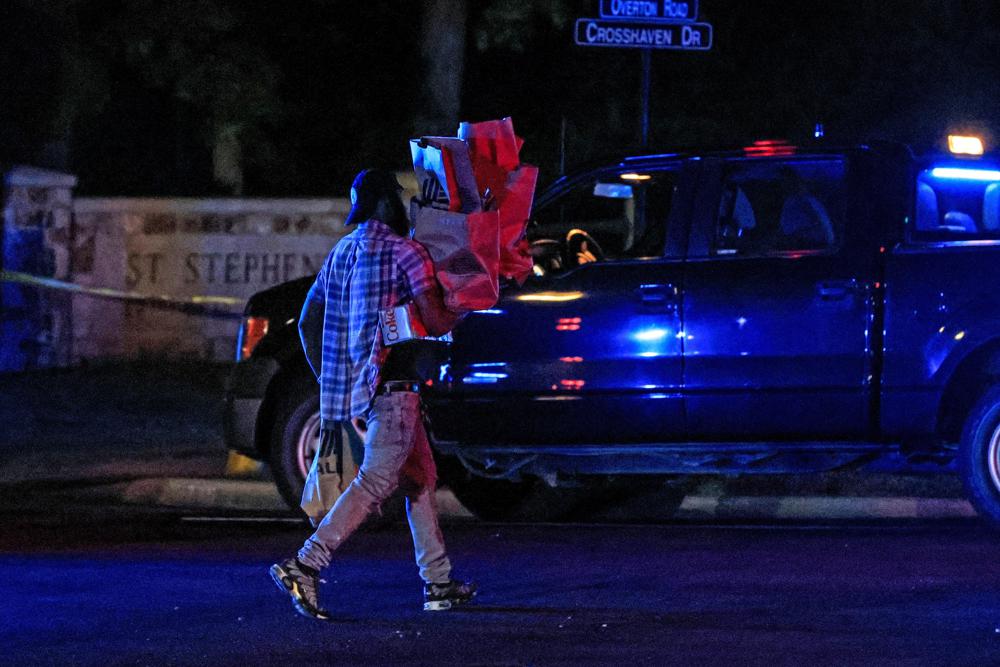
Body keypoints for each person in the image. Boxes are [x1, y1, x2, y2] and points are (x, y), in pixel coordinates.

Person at [270, 168, 476, 620]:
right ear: (387, 203)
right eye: (398, 200)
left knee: (420, 480)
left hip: (364, 388)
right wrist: (467, 303)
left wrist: (332, 374)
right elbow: (437, 322)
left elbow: (308, 322)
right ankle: (305, 563)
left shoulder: (342, 253)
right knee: (378, 480)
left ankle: (438, 583)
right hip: (397, 388)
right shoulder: (408, 254)